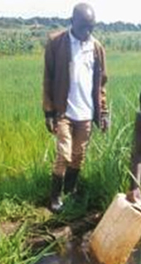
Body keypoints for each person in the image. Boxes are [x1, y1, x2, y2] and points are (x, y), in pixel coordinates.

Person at [42, 3, 109, 212]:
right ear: (72, 22)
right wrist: (48, 112)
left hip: (86, 113)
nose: (87, 32)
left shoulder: (96, 47)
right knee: (64, 154)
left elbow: (101, 84)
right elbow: (48, 78)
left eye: (91, 27)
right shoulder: (56, 43)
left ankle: (70, 193)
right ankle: (54, 198)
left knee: (78, 156)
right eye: (83, 27)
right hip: (63, 111)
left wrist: (103, 111)